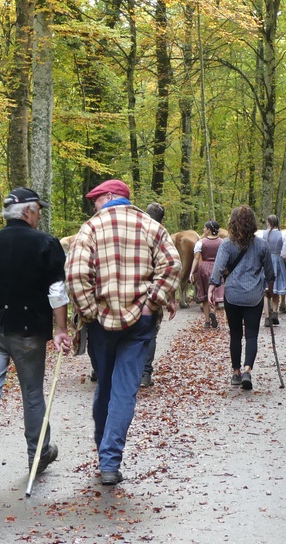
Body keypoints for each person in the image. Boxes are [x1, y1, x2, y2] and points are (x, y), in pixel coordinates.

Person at [66, 179, 181, 485]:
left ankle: (104, 453)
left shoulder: (90, 229)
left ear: (110, 196)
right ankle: (109, 460)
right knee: (124, 390)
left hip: (101, 323)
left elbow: (75, 274)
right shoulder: (152, 227)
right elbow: (172, 265)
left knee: (105, 385)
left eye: (96, 199)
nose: (94, 206)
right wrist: (153, 301)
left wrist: (89, 312)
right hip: (140, 321)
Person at [0, 187, 73, 489]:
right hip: (28, 332)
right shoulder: (47, 244)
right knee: (32, 393)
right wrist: (61, 329)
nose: (39, 216)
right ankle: (37, 455)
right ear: (28, 211)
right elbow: (57, 293)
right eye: (38, 210)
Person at [208, 205, 275, 390]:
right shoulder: (262, 245)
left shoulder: (227, 244)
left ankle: (236, 373)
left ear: (232, 223)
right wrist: (269, 290)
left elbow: (219, 269)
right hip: (254, 295)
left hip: (233, 295)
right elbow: (270, 273)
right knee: (252, 334)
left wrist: (211, 288)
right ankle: (247, 370)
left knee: (235, 335)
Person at [140, 202, 167, 388]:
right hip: (152, 291)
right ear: (161, 220)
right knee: (151, 333)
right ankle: (145, 373)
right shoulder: (161, 235)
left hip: (132, 289)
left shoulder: (133, 230)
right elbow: (169, 267)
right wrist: (168, 296)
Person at [188, 220, 224, 329]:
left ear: (208, 230)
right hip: (217, 268)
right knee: (215, 292)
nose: (203, 230)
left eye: (205, 228)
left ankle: (207, 321)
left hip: (204, 268)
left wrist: (191, 272)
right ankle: (213, 310)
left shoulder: (201, 242)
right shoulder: (222, 242)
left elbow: (196, 258)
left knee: (204, 294)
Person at [260, 215, 286, 327]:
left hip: (266, 262)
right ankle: (275, 312)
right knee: (276, 288)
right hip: (278, 261)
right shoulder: (283, 235)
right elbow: (285, 252)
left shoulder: (262, 234)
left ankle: (267, 317)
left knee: (265, 291)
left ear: (268, 222)